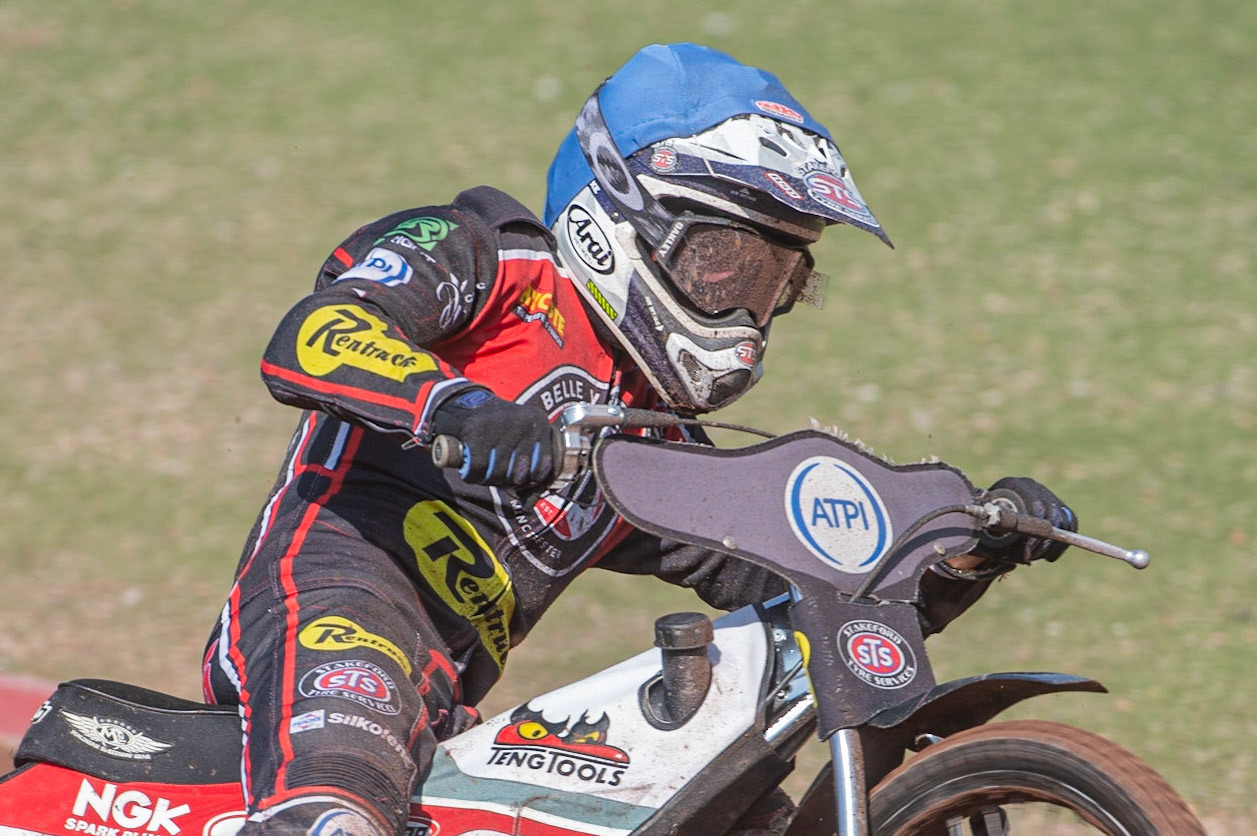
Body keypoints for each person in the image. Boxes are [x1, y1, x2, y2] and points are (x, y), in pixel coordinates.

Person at [202, 43, 1076, 835]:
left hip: (448, 696)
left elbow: (802, 588)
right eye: (725, 262)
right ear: (616, 213)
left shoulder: (652, 443)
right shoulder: (488, 258)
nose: (744, 309)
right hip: (326, 606)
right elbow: (314, 334)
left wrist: (960, 549)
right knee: (338, 812)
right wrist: (454, 408)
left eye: (774, 281)